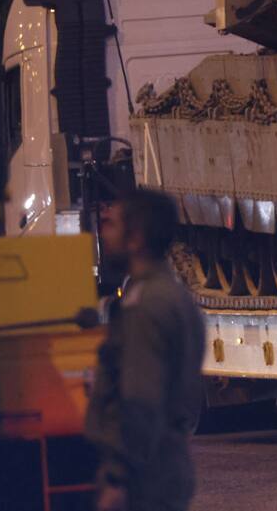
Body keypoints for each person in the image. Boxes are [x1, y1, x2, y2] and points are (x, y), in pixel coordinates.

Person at [85, 188, 206, 511]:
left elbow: (140, 400)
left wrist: (117, 478)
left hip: (143, 479)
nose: (104, 233)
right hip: (167, 461)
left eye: (113, 225)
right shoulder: (176, 297)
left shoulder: (144, 306)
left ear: (135, 237)